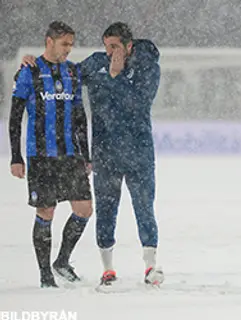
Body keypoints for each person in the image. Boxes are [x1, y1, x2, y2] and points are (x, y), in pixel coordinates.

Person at [21, 22, 163, 287]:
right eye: (106, 46)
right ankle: (107, 269)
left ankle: (151, 266)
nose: (109, 52)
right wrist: (36, 63)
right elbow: (65, 72)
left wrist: (116, 75)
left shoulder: (148, 67)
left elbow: (139, 103)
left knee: (144, 208)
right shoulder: (96, 63)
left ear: (128, 46)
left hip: (139, 154)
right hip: (105, 154)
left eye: (115, 47)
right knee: (106, 212)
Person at [10, 21, 92, 288]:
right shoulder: (30, 72)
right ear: (49, 41)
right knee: (46, 211)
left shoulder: (72, 72)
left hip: (71, 154)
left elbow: (80, 117)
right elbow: (15, 116)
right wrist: (16, 156)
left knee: (84, 209)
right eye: (64, 44)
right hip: (41, 155)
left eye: (71, 44)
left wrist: (86, 154)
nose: (69, 49)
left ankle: (62, 261)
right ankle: (45, 274)